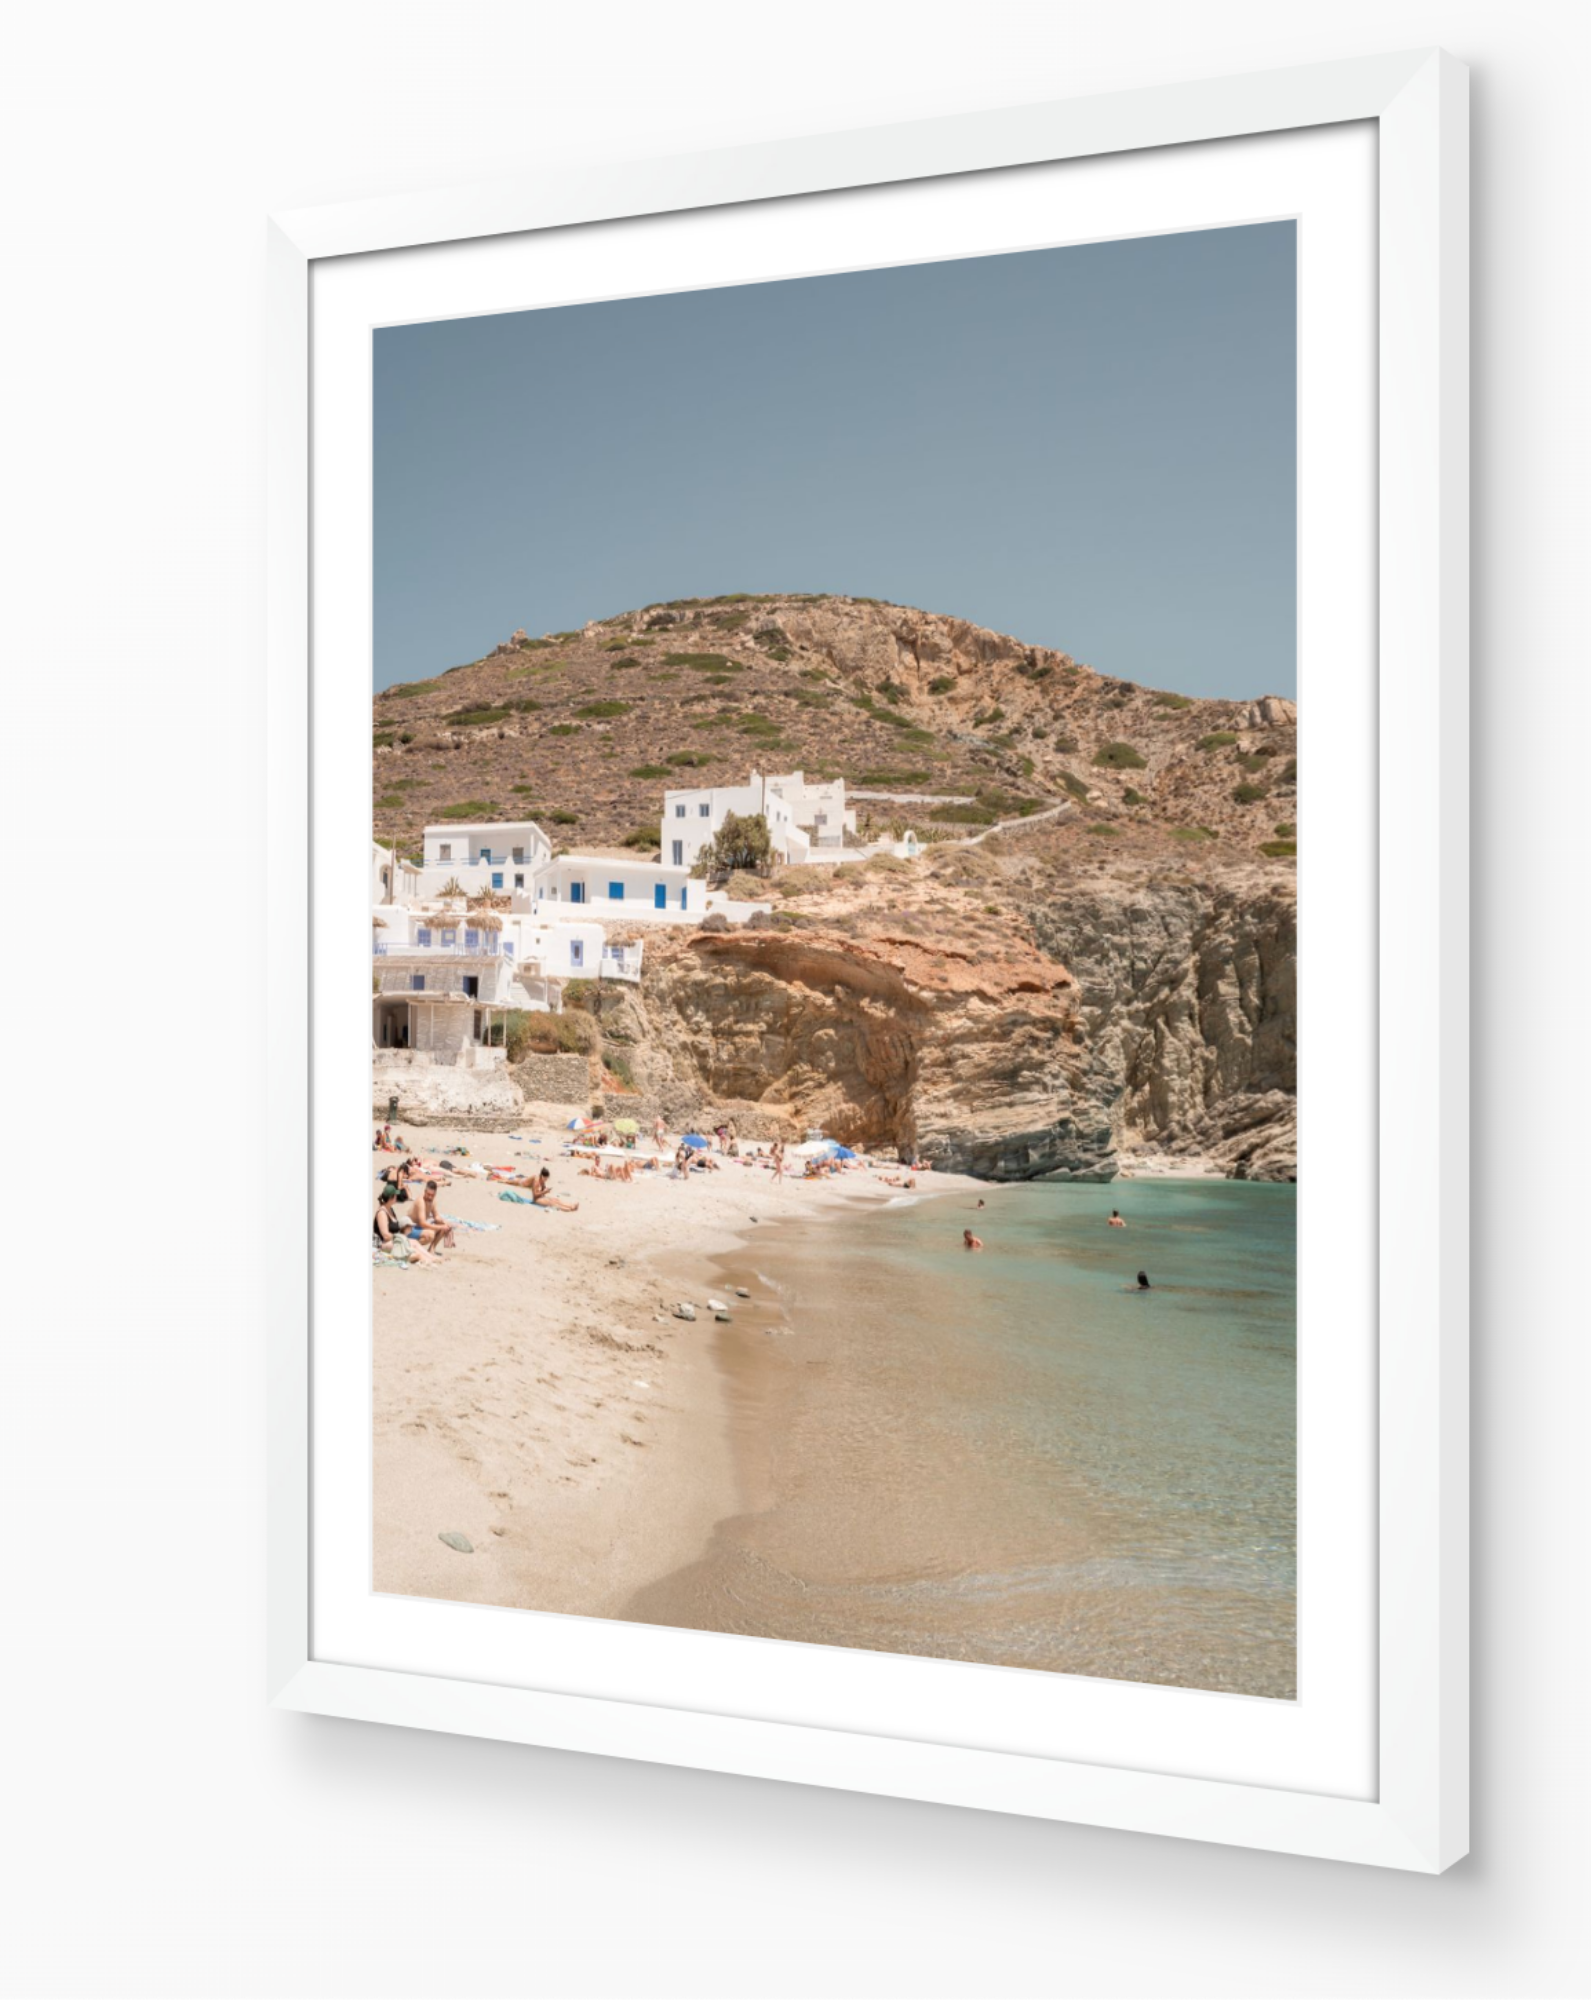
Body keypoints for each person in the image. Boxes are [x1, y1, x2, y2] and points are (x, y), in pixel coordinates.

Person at [413, 1180, 456, 1251]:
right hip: (412, 1228)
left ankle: (431, 1249)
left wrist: (444, 1223)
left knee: (444, 1225)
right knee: (431, 1235)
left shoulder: (432, 1201)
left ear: (435, 1194)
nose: (430, 1197)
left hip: (421, 1227)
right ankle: (412, 1247)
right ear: (425, 1191)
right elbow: (422, 1223)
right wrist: (440, 1226)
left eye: (432, 1195)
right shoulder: (420, 1201)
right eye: (428, 1194)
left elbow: (436, 1216)